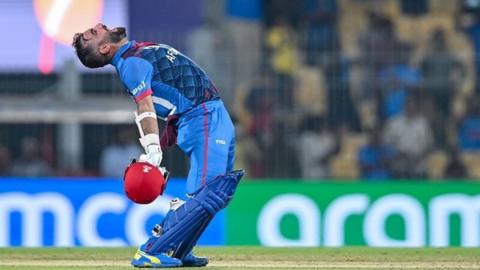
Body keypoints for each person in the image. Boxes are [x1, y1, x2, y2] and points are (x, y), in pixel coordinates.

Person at [72, 23, 243, 268]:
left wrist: (170, 127)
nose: (99, 25)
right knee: (210, 192)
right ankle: (151, 250)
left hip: (211, 114)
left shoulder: (135, 52)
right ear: (105, 48)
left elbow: (170, 92)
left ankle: (180, 250)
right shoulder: (130, 65)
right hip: (202, 119)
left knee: (219, 193)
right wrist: (153, 149)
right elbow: (145, 106)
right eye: (94, 33)